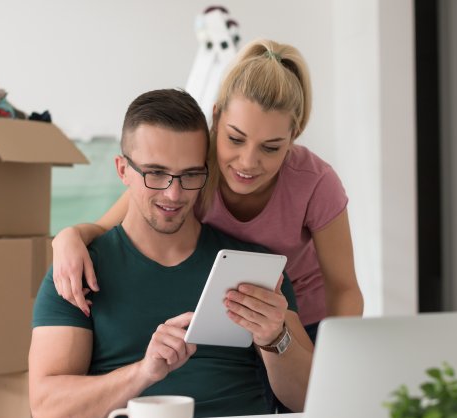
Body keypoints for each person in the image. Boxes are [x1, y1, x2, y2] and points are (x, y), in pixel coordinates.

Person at [29, 89, 313, 418]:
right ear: (122, 170)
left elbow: (312, 400)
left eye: (190, 175)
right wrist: (143, 373)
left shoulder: (251, 266)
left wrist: (274, 337)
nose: (173, 194)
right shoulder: (81, 269)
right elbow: (47, 410)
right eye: (155, 173)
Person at [52, 39, 363, 344]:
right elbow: (104, 227)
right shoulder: (192, 168)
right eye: (235, 139)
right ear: (216, 118)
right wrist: (68, 237)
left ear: (293, 136)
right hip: (219, 319)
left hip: (300, 325)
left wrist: (334, 358)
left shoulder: (315, 183)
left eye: (271, 148)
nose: (248, 162)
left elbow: (344, 288)